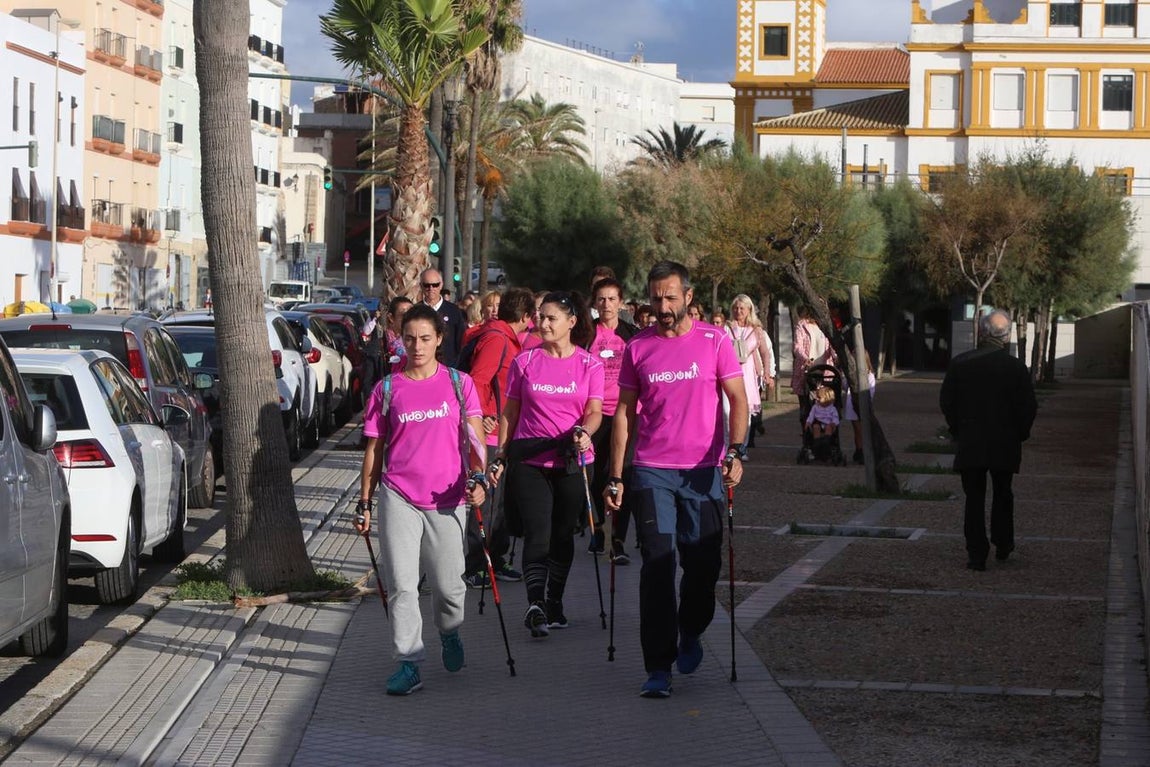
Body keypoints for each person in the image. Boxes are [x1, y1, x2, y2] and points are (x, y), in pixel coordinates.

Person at [605, 260, 747, 699]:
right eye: (655, 298)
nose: (662, 305)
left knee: (703, 567)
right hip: (652, 472)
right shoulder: (639, 347)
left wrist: (737, 452)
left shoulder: (715, 340)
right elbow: (625, 414)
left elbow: (738, 401)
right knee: (658, 566)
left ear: (688, 296)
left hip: (703, 473)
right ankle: (658, 666)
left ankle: (691, 630)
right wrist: (615, 476)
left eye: (670, 296)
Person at [354, 303, 487, 696]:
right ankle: (409, 662)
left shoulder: (460, 384)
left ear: (439, 340)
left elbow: (477, 441)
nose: (417, 346)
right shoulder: (388, 388)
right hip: (399, 495)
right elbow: (374, 451)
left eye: (425, 338)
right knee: (402, 585)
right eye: (409, 338)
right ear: (400, 338)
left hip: (448, 497)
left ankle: (449, 631)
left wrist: (479, 479)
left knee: (450, 588)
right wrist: (364, 501)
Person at [489, 291, 604, 638]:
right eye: (541, 316)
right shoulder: (525, 361)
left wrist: (586, 432)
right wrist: (501, 455)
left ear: (571, 322)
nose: (543, 323)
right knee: (537, 533)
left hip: (571, 459)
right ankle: (535, 604)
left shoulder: (590, 364)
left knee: (562, 534)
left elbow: (595, 410)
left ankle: (555, 600)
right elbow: (510, 411)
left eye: (552, 317)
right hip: (529, 458)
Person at [940, 310, 1037, 571]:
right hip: (1005, 441)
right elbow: (1028, 406)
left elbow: (947, 401)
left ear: (981, 332)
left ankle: (976, 553)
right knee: (1003, 492)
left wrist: (957, 429)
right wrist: (1020, 433)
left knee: (974, 497)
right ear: (1006, 336)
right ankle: (1003, 542)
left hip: (971, 439)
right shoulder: (1016, 368)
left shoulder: (960, 363)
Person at [461, 289, 533, 588]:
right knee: (487, 500)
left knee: (500, 502)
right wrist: (483, 415)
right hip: (489, 434)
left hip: (502, 433)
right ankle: (476, 564)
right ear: (526, 317)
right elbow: (477, 380)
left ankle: (497, 557)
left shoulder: (504, 337)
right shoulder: (497, 338)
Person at [586, 277, 640, 561]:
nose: (606, 304)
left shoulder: (631, 335)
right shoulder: (586, 335)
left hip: (627, 413)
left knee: (622, 474)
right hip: (595, 414)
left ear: (621, 303)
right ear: (595, 303)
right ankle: (599, 528)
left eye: (611, 299)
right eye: (601, 299)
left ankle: (617, 539)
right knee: (595, 476)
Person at [726, 295, 775, 458]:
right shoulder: (726, 328)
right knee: (726, 412)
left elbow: (765, 353)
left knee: (745, 413)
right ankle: (727, 447)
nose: (738, 311)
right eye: (736, 308)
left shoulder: (756, 330)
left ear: (749, 310)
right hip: (728, 374)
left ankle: (742, 447)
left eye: (742, 308)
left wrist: (767, 373)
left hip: (747, 375)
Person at [419, 268, 466, 366]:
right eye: (426, 285)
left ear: (441, 285)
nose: (431, 288)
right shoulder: (416, 311)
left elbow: (460, 340)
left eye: (435, 285)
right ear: (421, 286)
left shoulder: (454, 311)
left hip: (449, 366)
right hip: (422, 366)